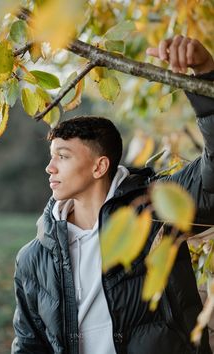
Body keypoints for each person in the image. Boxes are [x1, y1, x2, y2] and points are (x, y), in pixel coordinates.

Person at [11, 35, 214, 354]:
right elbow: (28, 344)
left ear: (99, 166)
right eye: (51, 157)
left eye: (62, 156)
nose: (50, 168)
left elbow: (211, 180)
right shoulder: (33, 259)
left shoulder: (155, 209)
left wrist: (205, 78)